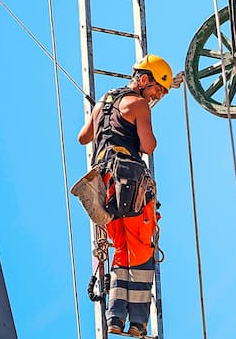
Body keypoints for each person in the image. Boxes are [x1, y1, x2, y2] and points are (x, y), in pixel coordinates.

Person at [77, 54, 182, 338]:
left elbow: (83, 137)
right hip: (130, 184)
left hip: (104, 188)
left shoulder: (106, 100)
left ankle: (115, 318)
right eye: (156, 90)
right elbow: (148, 146)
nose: (156, 96)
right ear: (143, 79)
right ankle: (137, 322)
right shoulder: (138, 104)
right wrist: (142, 119)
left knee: (121, 252)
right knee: (141, 250)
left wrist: (102, 114)